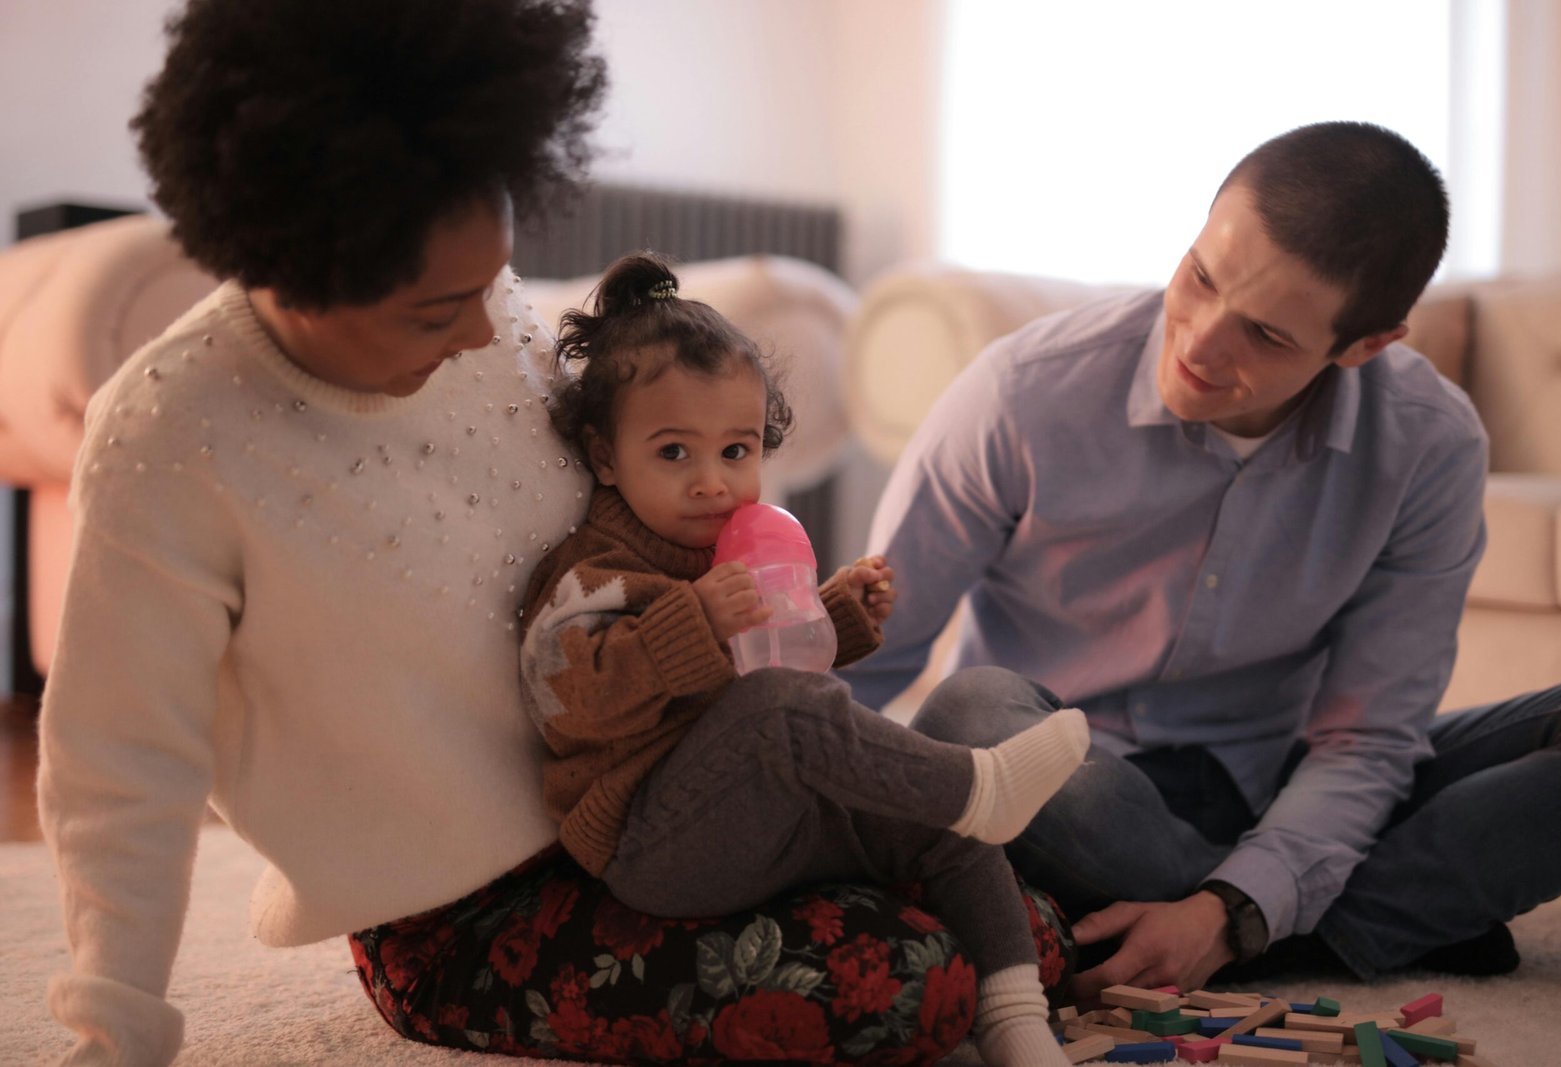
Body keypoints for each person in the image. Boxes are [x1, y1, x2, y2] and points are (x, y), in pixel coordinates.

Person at [35, 3, 1077, 1065]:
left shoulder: (493, 320)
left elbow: (653, 499)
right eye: (440, 309)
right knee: (899, 978)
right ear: (302, 270)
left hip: (671, 782)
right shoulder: (171, 436)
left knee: (1017, 919)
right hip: (461, 909)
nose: (492, 329)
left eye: (493, 281)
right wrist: (115, 1023)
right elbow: (121, 759)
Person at [839, 121, 1561, 997]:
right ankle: (1361, 911)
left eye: (1267, 336)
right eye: (1199, 277)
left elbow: (1364, 739)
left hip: (1275, 776)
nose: (1199, 342)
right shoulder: (1019, 394)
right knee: (971, 714)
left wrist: (1234, 906)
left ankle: (1253, 928)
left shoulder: (1428, 445)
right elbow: (860, 659)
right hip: (1065, 789)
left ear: (1363, 347)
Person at [519, 251, 1091, 1066]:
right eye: (674, 453)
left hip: (762, 817)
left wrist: (840, 614)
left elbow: (776, 660)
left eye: (737, 451)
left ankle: (1017, 1024)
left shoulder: (732, 548)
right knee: (838, 733)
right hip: (653, 843)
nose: (713, 483)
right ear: (606, 457)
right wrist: (695, 620)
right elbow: (572, 698)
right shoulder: (590, 574)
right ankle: (979, 785)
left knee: (936, 822)